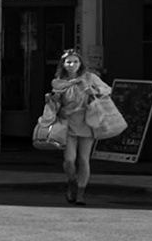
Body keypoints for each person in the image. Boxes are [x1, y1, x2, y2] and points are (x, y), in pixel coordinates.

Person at [44, 47, 113, 205]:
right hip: (66, 124)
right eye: (68, 62)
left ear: (80, 63)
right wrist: (52, 99)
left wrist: (94, 91)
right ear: (63, 64)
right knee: (69, 160)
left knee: (83, 159)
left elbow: (107, 90)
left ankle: (81, 192)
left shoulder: (90, 78)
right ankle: (72, 182)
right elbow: (55, 104)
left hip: (88, 122)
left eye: (75, 61)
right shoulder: (58, 82)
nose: (72, 65)